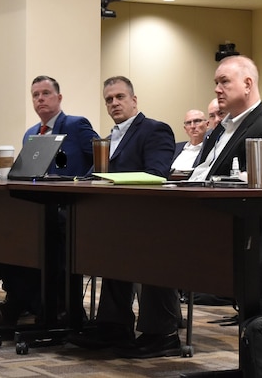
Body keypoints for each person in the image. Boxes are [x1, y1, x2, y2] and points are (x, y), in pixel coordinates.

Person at [0, 75, 98, 332]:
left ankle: (16, 306)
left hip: (68, 207)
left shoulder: (77, 125)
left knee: (28, 234)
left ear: (59, 98)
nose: (40, 99)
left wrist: (80, 184)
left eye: (46, 93)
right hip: (37, 208)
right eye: (35, 95)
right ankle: (22, 300)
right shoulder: (31, 133)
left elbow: (101, 160)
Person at [69, 76, 179, 358]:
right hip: (115, 217)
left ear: (134, 100)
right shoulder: (107, 139)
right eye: (108, 99)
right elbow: (95, 174)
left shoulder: (155, 130)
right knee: (104, 246)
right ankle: (113, 326)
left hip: (151, 218)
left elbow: (157, 174)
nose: (114, 103)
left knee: (141, 248)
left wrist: (112, 182)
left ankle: (162, 333)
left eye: (119, 97)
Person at [189, 55, 262, 182]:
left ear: (247, 85)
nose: (217, 89)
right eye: (216, 83)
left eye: (224, 81)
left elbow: (258, 194)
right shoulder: (221, 127)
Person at [171, 109, 208, 174]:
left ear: (207, 124)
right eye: (188, 123)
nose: (192, 126)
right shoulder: (175, 148)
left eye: (197, 121)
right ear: (185, 129)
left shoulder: (212, 149)